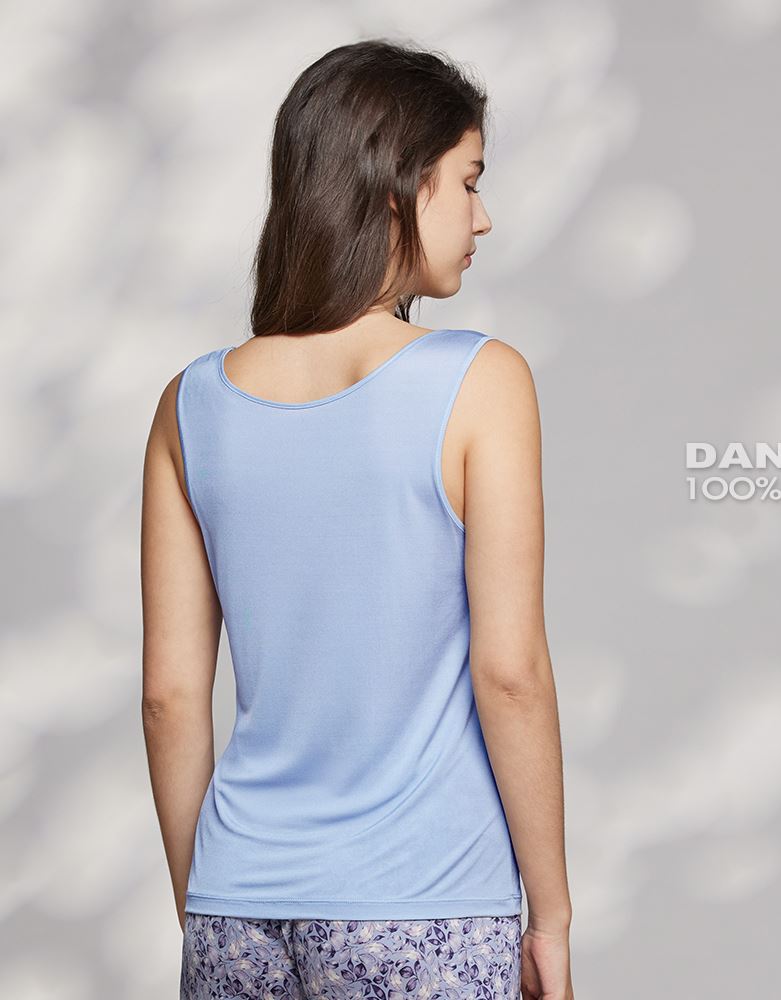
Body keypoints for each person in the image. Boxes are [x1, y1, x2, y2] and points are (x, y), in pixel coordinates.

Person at [140, 38, 574, 1000]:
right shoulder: (480, 382)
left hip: (236, 910)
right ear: (397, 187)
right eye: (470, 181)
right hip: (424, 907)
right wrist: (549, 917)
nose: (483, 216)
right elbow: (510, 674)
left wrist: (208, 904)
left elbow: (169, 697)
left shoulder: (189, 405)